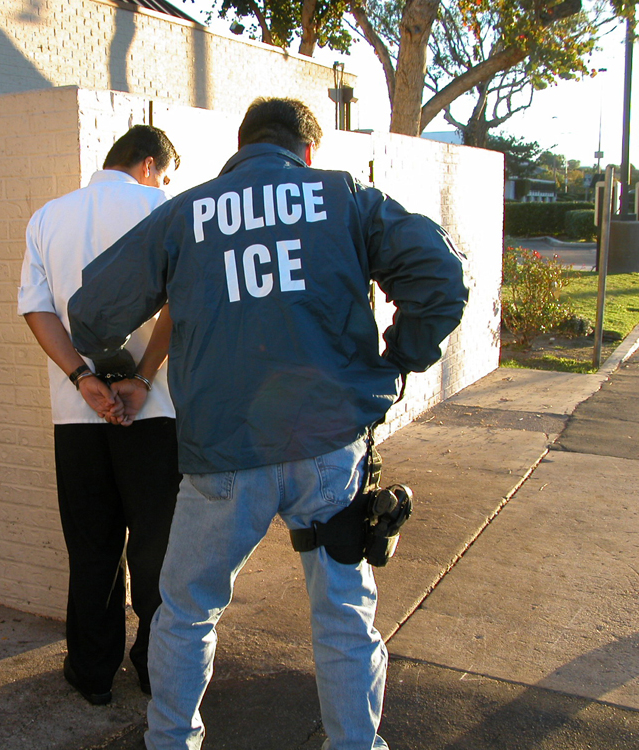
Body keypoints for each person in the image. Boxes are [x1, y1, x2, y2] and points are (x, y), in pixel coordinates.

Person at [67, 98, 468, 748]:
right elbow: (442, 277)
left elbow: (90, 315)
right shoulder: (346, 199)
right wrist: (398, 363)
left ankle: (170, 742)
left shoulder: (187, 213)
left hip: (223, 456)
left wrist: (124, 365)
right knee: (343, 616)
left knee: (187, 612)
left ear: (242, 144)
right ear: (306, 153)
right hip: (329, 451)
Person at [17, 124, 183, 706]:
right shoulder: (168, 208)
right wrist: (140, 378)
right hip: (155, 413)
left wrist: (82, 378)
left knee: (92, 550)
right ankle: (157, 670)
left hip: (76, 416)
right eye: (164, 173)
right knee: (157, 550)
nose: (162, 183)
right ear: (148, 164)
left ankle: (91, 672)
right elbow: (182, 304)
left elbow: (36, 310)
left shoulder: (48, 217)